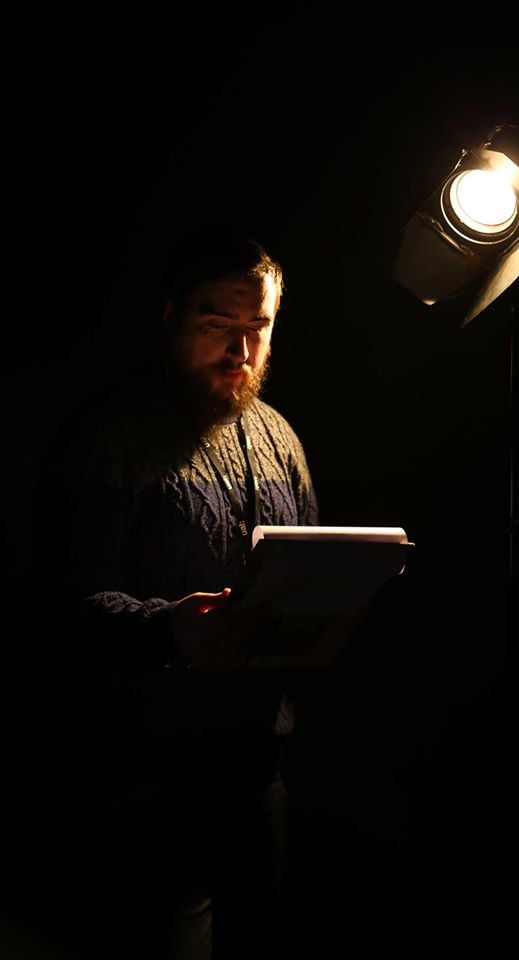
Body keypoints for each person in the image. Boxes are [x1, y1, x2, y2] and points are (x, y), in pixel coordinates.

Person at [15, 227, 325, 959]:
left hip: (258, 759)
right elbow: (58, 603)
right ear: (171, 317)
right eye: (218, 324)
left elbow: (308, 576)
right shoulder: (111, 437)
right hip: (144, 769)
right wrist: (166, 629)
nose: (241, 350)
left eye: (258, 327)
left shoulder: (280, 437)